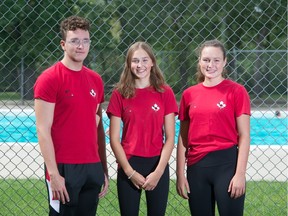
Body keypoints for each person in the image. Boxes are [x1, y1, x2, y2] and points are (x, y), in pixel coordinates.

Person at [33, 15, 109, 216]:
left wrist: (103, 167)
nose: (81, 46)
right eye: (74, 41)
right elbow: (42, 129)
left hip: (92, 166)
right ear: (63, 44)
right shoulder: (49, 79)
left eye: (85, 41)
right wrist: (54, 174)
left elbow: (96, 124)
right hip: (63, 167)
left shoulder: (95, 80)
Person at [176, 39, 251, 216]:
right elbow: (183, 138)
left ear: (224, 62)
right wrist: (180, 174)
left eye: (216, 60)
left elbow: (245, 135)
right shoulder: (189, 94)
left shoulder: (237, 91)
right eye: (206, 60)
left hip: (226, 166)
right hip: (197, 168)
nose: (211, 65)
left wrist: (240, 174)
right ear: (199, 62)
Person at [106, 41, 178, 216]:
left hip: (157, 164)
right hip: (129, 164)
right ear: (129, 64)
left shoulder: (165, 93)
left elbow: (170, 138)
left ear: (152, 62)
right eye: (135, 61)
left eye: (145, 60)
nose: (140, 65)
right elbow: (114, 139)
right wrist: (129, 172)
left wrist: (159, 171)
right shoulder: (119, 94)